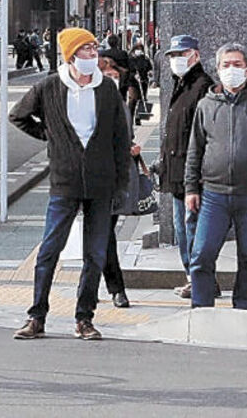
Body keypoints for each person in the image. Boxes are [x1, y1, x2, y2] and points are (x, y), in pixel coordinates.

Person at [9, 27, 132, 341]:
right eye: (87, 50)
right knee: (50, 249)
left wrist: (121, 182)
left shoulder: (107, 90)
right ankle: (37, 316)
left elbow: (121, 137)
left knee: (95, 253)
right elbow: (18, 115)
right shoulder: (50, 87)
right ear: (71, 55)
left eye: (95, 49)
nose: (94, 55)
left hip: (102, 183)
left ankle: (84, 318)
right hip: (64, 182)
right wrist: (51, 138)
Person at [185, 43, 247, 310]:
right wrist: (190, 189)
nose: (231, 70)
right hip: (213, 195)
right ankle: (202, 309)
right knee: (201, 255)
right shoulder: (206, 105)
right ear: (217, 70)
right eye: (226, 65)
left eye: (237, 65)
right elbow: (194, 150)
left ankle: (243, 309)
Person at [155, 34, 214, 299]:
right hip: (176, 171)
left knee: (190, 228)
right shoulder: (180, 85)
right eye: (173, 56)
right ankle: (198, 278)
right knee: (184, 228)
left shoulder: (202, 86)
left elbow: (203, 134)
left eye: (182, 54)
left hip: (192, 175)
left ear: (196, 55)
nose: (176, 60)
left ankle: (199, 279)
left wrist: (197, 175)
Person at [98, 49, 142, 309]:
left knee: (103, 234)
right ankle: (114, 288)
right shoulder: (87, 99)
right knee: (101, 235)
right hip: (92, 177)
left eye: (113, 71)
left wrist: (130, 146)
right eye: (105, 71)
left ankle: (115, 288)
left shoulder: (122, 102)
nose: (109, 75)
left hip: (116, 177)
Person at [130, 40, 153, 121]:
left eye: (140, 49)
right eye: (137, 49)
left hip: (143, 81)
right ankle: (130, 116)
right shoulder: (130, 58)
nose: (139, 51)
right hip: (133, 82)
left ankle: (138, 117)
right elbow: (129, 70)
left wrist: (150, 73)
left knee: (142, 99)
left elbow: (149, 68)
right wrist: (134, 75)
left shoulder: (145, 58)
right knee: (133, 99)